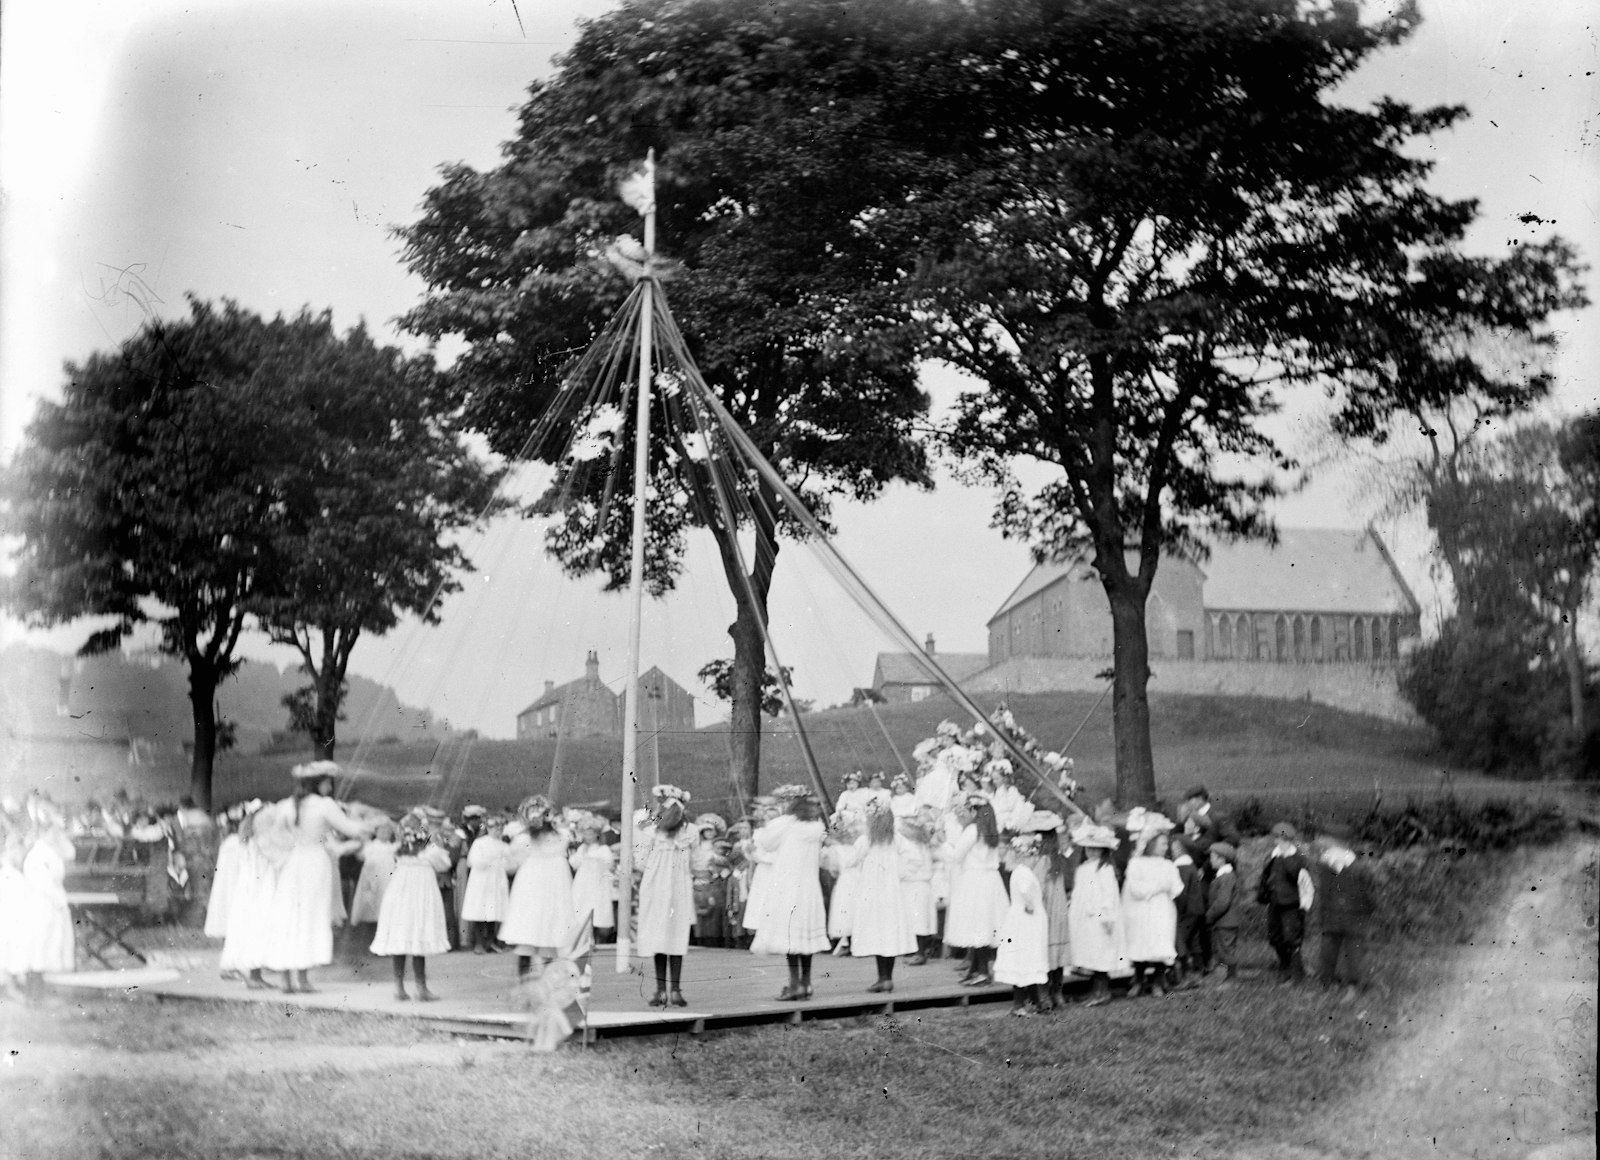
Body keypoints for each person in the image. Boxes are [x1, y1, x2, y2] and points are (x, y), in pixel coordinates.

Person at [263, 761, 372, 994]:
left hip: (294, 862)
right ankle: (302, 979)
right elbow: (351, 829)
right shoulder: (325, 805)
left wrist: (283, 854)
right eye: (327, 781)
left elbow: (273, 835)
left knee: (291, 916)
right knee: (310, 916)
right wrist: (367, 822)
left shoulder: (287, 805)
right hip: (315, 863)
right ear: (318, 783)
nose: (329, 786)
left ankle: (286, 980)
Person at [749, 785, 831, 1001]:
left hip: (788, 886)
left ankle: (794, 984)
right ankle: (806, 983)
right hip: (809, 888)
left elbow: (766, 843)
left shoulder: (783, 824)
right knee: (804, 937)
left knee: (790, 937)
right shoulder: (816, 825)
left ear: (790, 803)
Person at [370, 815, 453, 1001]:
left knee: (402, 936)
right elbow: (444, 864)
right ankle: (420, 988)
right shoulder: (431, 850)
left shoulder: (399, 850)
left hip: (401, 891)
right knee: (418, 936)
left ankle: (399, 988)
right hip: (419, 893)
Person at [841, 799, 916, 993]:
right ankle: (887, 978)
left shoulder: (865, 840)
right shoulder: (896, 839)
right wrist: (900, 874)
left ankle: (882, 978)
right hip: (891, 893)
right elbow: (914, 858)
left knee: (877, 931)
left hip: (872, 893)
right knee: (888, 933)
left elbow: (849, 861)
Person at [500, 795, 574, 980]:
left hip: (553, 885)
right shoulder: (525, 839)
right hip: (531, 885)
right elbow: (511, 859)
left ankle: (547, 984)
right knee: (529, 933)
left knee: (550, 934)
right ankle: (526, 985)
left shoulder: (560, 837)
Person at [637, 786, 697, 1007]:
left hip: (678, 887)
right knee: (659, 936)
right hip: (657, 887)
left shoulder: (689, 832)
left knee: (676, 936)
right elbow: (641, 860)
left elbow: (695, 859)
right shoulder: (653, 832)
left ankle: (674, 989)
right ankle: (663, 989)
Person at [944, 795, 1009, 987]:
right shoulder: (990, 831)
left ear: (974, 811)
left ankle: (982, 972)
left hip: (974, 880)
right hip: (990, 879)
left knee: (977, 925)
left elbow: (956, 856)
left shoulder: (973, 830)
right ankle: (975, 969)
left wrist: (944, 844)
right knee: (983, 925)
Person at [1311, 824, 1374, 1001]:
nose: (1322, 844)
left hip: (1354, 916)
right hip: (1331, 915)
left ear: (1339, 844)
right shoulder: (1324, 865)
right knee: (1327, 952)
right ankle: (1326, 985)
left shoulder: (1356, 866)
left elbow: (1368, 893)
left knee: (1354, 952)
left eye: (1326, 841)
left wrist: (1365, 913)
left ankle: (1353, 987)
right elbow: (1323, 892)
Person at [1067, 823, 1128, 1006]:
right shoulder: (1083, 868)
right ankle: (1095, 990)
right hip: (1084, 918)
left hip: (1100, 918)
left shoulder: (1105, 869)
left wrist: (1108, 916)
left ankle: (1103, 991)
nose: (1092, 852)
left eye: (1096, 849)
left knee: (1101, 953)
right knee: (1090, 954)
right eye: (1088, 848)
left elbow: (1109, 895)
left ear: (1103, 851)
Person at [1121, 827, 1184, 998]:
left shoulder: (1168, 865)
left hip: (1162, 909)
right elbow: (1136, 889)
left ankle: (1157, 982)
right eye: (1162, 844)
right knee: (1141, 944)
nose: (1165, 847)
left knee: (1161, 944)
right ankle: (1139, 980)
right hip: (1141, 910)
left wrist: (1164, 889)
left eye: (1166, 844)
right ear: (1151, 843)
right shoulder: (1136, 863)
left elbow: (1176, 887)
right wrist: (1158, 887)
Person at [995, 833, 1049, 1015]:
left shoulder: (1019, 871)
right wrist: (1030, 904)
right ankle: (1020, 1004)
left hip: (1021, 919)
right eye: (1033, 856)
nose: (1035, 859)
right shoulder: (1024, 872)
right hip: (1026, 920)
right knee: (1025, 958)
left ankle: (1033, 1001)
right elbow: (1025, 890)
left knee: (1028, 959)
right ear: (1025, 856)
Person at [1258, 822, 1315, 985]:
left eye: (1277, 838)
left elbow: (1307, 885)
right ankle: (1285, 968)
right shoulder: (1273, 857)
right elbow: (1266, 878)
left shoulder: (1298, 859)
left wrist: (1304, 906)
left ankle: (1297, 977)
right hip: (1275, 903)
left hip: (1291, 906)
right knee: (1275, 938)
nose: (1275, 841)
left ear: (1285, 839)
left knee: (1292, 939)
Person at [460, 814, 511, 953]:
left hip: (496, 879)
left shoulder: (504, 845)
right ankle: (479, 942)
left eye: (500, 828)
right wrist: (491, 860)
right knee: (480, 909)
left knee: (493, 910)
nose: (497, 831)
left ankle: (491, 940)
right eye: (494, 828)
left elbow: (509, 863)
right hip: (482, 879)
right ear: (488, 828)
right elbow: (473, 860)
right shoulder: (480, 843)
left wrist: (502, 862)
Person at [895, 808, 938, 966]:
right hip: (917, 884)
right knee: (916, 918)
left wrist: (900, 874)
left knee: (918, 918)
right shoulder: (920, 843)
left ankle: (920, 953)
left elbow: (912, 864)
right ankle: (917, 951)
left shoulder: (913, 845)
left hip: (916, 883)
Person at [568, 815, 615, 946]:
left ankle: (598, 939)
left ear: (597, 834)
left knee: (598, 910)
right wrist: (581, 856)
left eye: (591, 834)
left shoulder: (603, 849)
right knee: (582, 909)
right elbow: (575, 863)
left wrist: (593, 860)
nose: (588, 837)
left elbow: (608, 864)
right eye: (586, 834)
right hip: (583, 883)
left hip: (597, 884)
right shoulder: (582, 849)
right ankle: (585, 940)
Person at [1169, 834, 1205, 990]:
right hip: (1195, 910)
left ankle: (1184, 976)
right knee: (1191, 941)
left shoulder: (1182, 867)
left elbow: (1181, 893)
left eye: (1176, 847)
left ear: (1182, 850)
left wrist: (1178, 911)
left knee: (1180, 942)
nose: (1172, 849)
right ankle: (1193, 972)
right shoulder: (1190, 866)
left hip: (1187, 911)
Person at [1205, 841, 1242, 986]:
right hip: (1225, 921)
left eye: (1213, 857)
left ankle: (1231, 979)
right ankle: (1227, 977)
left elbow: (1223, 902)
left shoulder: (1226, 877)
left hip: (1226, 921)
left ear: (1222, 859)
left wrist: (1210, 915)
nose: (1211, 860)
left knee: (1226, 950)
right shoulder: (1224, 875)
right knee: (1223, 949)